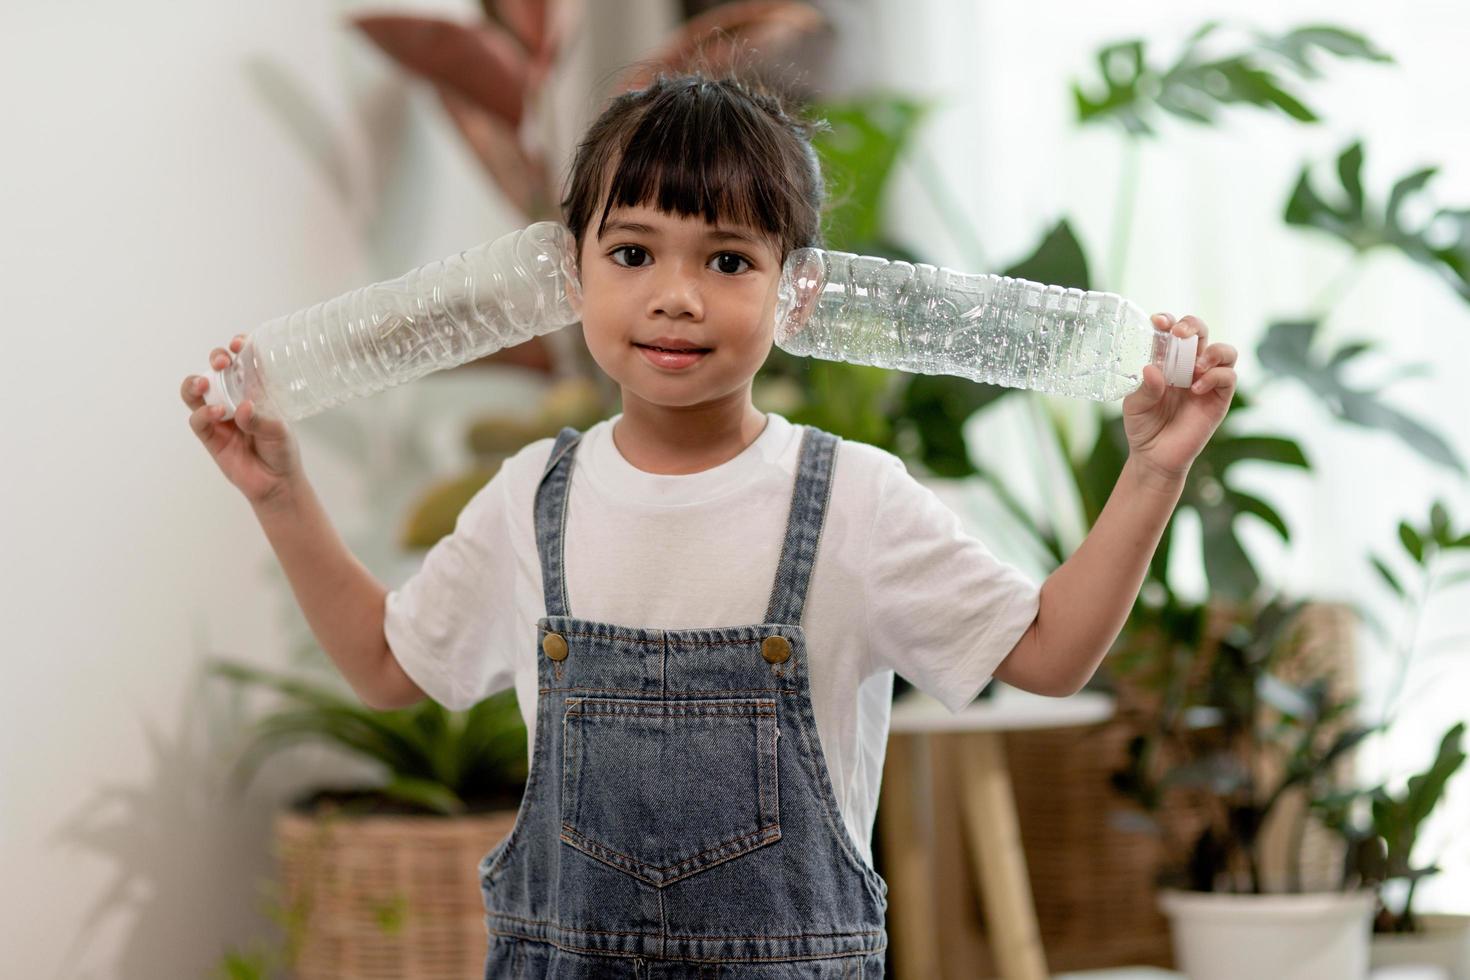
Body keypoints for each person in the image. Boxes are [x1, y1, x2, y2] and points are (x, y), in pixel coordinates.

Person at [181, 68, 1237, 978]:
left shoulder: (856, 501)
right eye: (633, 252)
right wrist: (278, 491)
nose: (676, 296)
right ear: (570, 270)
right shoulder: (528, 495)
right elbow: (383, 663)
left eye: (727, 260)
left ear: (800, 293)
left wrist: (1151, 469)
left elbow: (1051, 653)